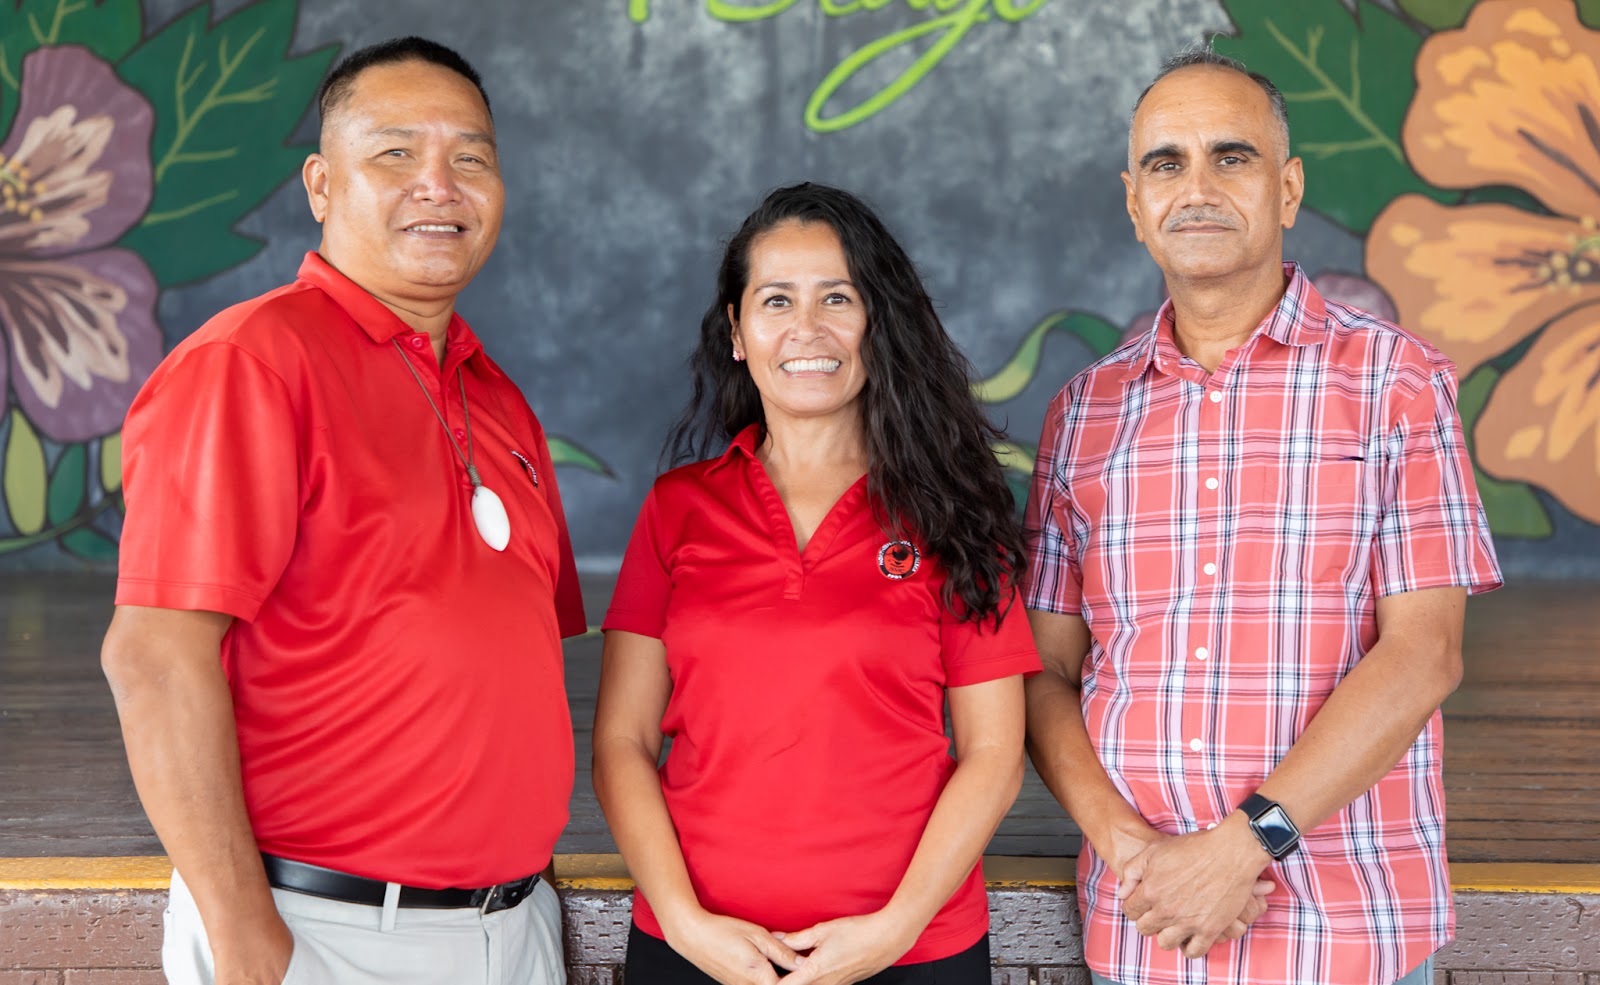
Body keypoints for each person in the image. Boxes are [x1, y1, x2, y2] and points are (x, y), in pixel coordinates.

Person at [100, 36, 585, 985]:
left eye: (471, 157)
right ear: (322, 186)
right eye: (396, 153)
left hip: (512, 931)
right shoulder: (251, 364)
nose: (439, 185)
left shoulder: (500, 398)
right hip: (321, 933)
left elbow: (504, 682)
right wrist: (247, 944)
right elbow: (154, 657)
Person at [1021, 48, 1503, 985]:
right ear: (1134, 201)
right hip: (1144, 934)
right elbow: (1045, 668)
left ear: (1287, 190)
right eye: (1167, 163)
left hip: (1349, 932)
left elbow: (1424, 653)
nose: (1195, 187)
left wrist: (1244, 844)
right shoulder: (1084, 410)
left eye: (1230, 157)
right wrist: (1136, 856)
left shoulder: (1397, 382)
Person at [592, 182, 1040, 985]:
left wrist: (893, 930)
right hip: (699, 951)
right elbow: (622, 742)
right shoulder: (677, 509)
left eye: (839, 297)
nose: (807, 328)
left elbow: (996, 752)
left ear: (879, 323)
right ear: (737, 331)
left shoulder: (958, 509)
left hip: (912, 953)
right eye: (775, 300)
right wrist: (687, 924)